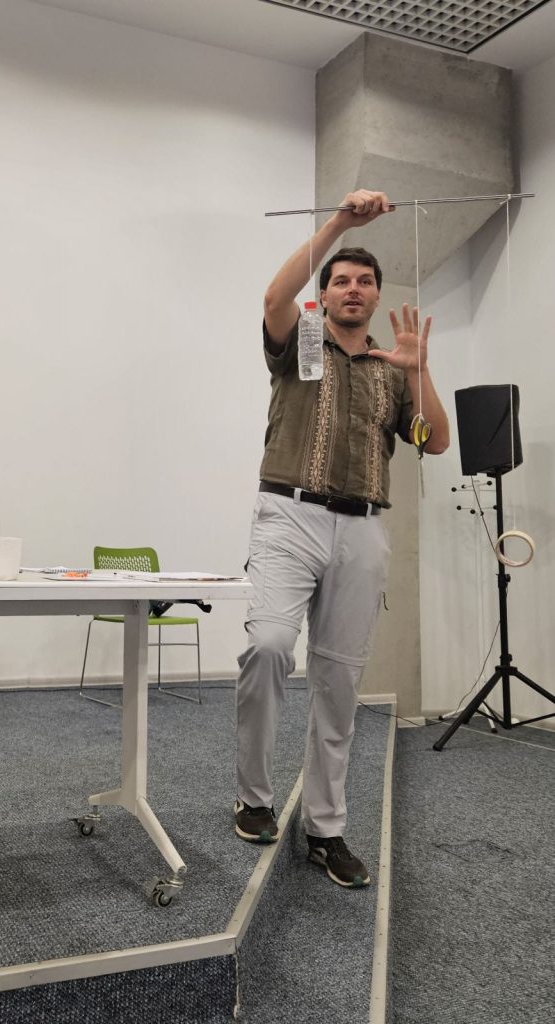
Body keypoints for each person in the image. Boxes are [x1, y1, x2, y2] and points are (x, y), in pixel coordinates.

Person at [234, 188, 449, 888]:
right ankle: (254, 797)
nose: (353, 289)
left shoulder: (393, 367)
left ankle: (325, 828)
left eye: (364, 281)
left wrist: (418, 370)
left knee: (339, 681)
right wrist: (340, 223)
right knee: (269, 647)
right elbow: (274, 296)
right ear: (325, 294)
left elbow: (434, 441)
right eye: (341, 280)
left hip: (362, 528)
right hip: (288, 515)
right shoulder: (298, 339)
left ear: (377, 295)